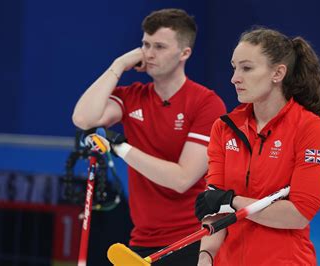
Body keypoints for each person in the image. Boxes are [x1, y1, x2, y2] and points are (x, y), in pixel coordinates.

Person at [72, 8, 226, 265]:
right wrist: (119, 64)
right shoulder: (132, 96)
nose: (149, 54)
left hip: (192, 239)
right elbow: (83, 119)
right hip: (142, 240)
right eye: (145, 45)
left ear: (184, 53)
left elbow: (182, 179)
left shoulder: (207, 103)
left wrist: (120, 148)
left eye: (160, 46)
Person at [195, 27, 320, 266]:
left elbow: (297, 215)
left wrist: (232, 200)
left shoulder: (312, 130)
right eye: (234, 67)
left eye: (247, 68)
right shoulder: (223, 128)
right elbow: (215, 207)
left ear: (278, 73)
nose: (235, 78)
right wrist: (206, 257)